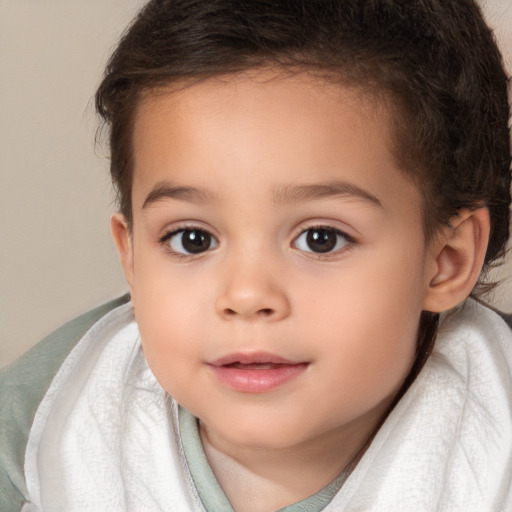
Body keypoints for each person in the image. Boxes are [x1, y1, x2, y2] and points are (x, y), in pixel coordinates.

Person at [1, 0, 511, 510]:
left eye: (321, 238)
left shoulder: (493, 431)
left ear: (447, 260)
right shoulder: (56, 403)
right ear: (131, 257)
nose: (246, 296)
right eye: (192, 239)